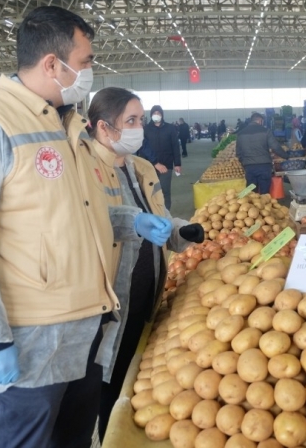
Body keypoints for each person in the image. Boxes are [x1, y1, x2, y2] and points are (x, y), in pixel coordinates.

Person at [0, 6, 123, 447]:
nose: (88, 72)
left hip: (85, 330)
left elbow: (78, 210)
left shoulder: (69, 124)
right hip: (30, 340)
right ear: (51, 64)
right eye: (84, 63)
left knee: (73, 441)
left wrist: (133, 221)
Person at [85, 87, 202, 442]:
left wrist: (184, 231)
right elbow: (88, 222)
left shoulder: (141, 167)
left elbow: (159, 220)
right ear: (104, 128)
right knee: (105, 382)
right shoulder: (85, 169)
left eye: (141, 119)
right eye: (131, 121)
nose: (141, 128)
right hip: (110, 298)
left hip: (145, 290)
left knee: (125, 383)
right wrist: (132, 223)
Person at [236, 112, 289, 195]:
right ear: (260, 121)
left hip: (249, 167)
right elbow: (275, 147)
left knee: (251, 189)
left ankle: (246, 201)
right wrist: (286, 156)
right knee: (264, 191)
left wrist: (245, 163)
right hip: (264, 167)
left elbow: (238, 153)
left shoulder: (241, 133)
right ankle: (264, 204)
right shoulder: (266, 131)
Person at [143, 105, 181, 210]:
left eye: (158, 113)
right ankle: (154, 212)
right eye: (154, 113)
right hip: (150, 166)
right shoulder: (146, 129)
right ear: (151, 115)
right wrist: (151, 163)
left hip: (166, 165)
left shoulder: (170, 128)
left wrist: (177, 163)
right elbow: (143, 147)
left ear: (162, 115)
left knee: (165, 190)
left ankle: (166, 213)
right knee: (151, 190)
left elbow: (175, 146)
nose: (156, 115)